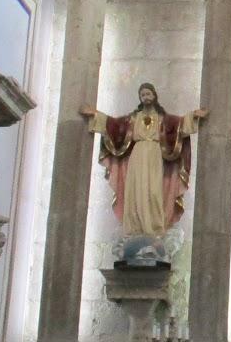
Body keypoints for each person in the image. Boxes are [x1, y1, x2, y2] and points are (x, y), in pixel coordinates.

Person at [80, 84, 208, 242]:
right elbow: (114, 125)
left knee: (153, 191)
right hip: (137, 155)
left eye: (148, 94)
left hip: (154, 154)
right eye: (142, 95)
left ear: (154, 95)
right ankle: (135, 230)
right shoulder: (133, 118)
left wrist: (194, 115)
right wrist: (96, 114)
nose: (146, 97)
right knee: (135, 190)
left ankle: (154, 230)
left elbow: (179, 124)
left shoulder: (163, 119)